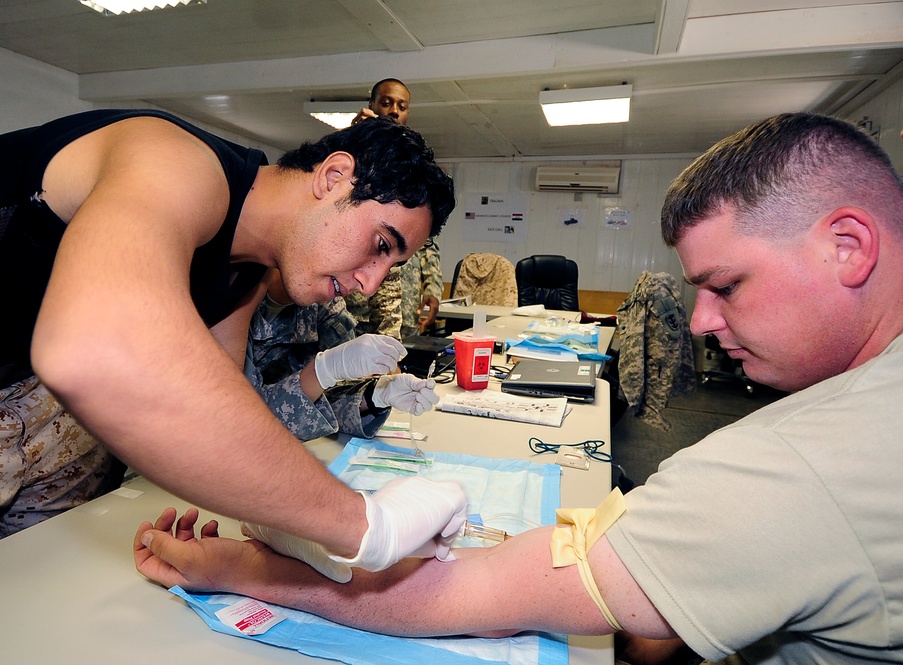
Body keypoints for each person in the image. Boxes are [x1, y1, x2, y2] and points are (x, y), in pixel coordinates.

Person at [134, 112, 903, 664]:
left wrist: (234, 567)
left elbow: (464, 595)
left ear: (848, 246)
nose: (700, 322)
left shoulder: (800, 465)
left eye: (726, 284)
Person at [0, 108, 465, 578]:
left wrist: (277, 525)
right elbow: (95, 349)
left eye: (391, 265)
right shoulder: (175, 159)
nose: (370, 282)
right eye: (379, 244)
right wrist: (363, 524)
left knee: (40, 587)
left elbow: (227, 412)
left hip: (34, 394)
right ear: (334, 175)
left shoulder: (247, 269)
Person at [244, 269, 438, 441]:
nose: (369, 287)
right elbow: (243, 428)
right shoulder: (228, 296)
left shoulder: (325, 302)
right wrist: (322, 371)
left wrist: (374, 396)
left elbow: (319, 405)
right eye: (379, 247)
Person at [346, 78, 445, 339]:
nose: (394, 111)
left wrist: (433, 287)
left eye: (402, 106)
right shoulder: (350, 154)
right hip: (351, 306)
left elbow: (427, 241)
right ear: (372, 106)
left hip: (402, 301)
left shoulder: (410, 166)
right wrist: (353, 138)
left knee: (396, 367)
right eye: (387, 103)